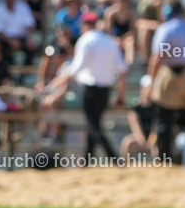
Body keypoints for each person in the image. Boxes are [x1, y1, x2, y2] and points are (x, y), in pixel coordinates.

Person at [42, 13, 128, 163]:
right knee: (93, 123)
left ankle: (114, 158)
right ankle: (88, 159)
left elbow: (75, 69)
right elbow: (122, 70)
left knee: (94, 125)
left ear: (86, 25)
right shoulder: (110, 41)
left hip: (91, 89)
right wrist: (121, 94)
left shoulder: (85, 40)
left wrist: (52, 85)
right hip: (105, 89)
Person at [148, 2, 185, 163]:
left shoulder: (166, 28)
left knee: (164, 119)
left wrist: (151, 81)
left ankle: (164, 158)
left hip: (170, 73)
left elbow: (158, 56)